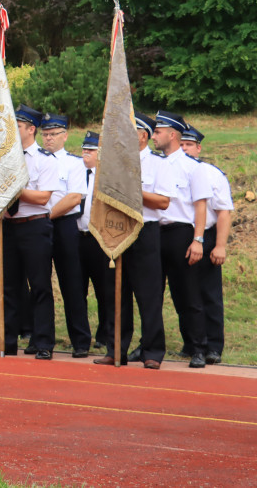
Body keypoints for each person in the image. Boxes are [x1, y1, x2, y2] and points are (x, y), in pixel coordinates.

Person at [0, 104, 60, 359]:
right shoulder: (4, 158)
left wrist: (16, 189)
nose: (12, 130)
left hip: (34, 226)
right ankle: (8, 341)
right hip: (8, 227)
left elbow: (43, 197)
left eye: (17, 126)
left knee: (39, 286)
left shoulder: (43, 159)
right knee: (8, 287)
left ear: (31, 129)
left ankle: (43, 342)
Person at [96, 113, 170, 369]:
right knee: (115, 294)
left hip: (144, 232)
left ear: (143, 135)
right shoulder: (113, 163)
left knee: (148, 295)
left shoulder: (159, 165)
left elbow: (163, 201)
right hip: (115, 230)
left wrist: (132, 190)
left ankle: (152, 351)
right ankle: (116, 349)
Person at [153, 110, 213, 368]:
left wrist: (197, 239)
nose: (153, 136)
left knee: (187, 293)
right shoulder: (155, 164)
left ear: (172, 134)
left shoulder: (192, 167)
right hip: (155, 232)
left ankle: (198, 346)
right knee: (152, 294)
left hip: (180, 233)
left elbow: (201, 206)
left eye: (158, 131)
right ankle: (151, 345)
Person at [39, 113, 92, 357]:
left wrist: (47, 217)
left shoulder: (74, 163)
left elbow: (74, 197)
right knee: (38, 284)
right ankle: (39, 339)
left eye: (53, 134)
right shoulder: (35, 160)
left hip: (62, 225)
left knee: (72, 284)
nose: (48, 139)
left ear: (65, 136)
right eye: (45, 134)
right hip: (36, 226)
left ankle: (80, 340)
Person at [180, 125, 233, 364]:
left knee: (208, 294)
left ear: (198, 148)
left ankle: (213, 347)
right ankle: (190, 342)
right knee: (184, 294)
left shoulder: (211, 173)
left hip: (207, 238)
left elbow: (223, 212)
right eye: (181, 144)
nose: (184, 148)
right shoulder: (172, 170)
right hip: (180, 236)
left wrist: (219, 245)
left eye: (188, 145)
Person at [77, 132, 111, 348]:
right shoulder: (78, 173)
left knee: (104, 290)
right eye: (83, 150)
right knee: (78, 289)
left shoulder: (107, 178)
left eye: (90, 150)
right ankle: (80, 335)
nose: (85, 154)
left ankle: (105, 334)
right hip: (79, 237)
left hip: (100, 239)